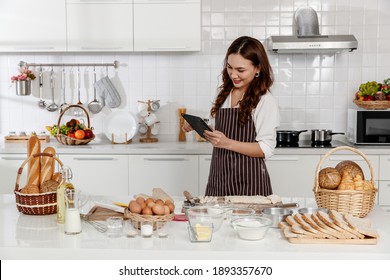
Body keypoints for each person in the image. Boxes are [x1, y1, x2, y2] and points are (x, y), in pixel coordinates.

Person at [182, 36, 280, 196]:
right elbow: (214, 128)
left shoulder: (264, 100)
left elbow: (266, 148)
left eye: (240, 70)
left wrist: (227, 143)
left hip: (250, 185)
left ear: (258, 68)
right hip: (219, 180)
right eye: (229, 67)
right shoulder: (224, 93)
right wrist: (197, 125)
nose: (233, 75)